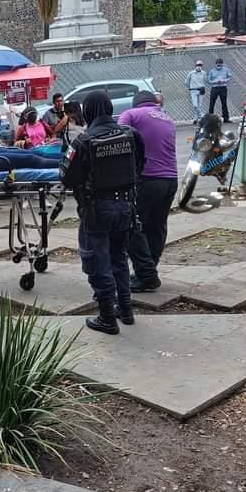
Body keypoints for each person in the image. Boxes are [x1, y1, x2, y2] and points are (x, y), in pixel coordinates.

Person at [60, 90, 144, 335]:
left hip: (96, 210)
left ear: (87, 112)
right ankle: (125, 309)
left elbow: (67, 176)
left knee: (97, 262)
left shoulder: (84, 141)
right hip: (126, 207)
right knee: (118, 257)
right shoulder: (131, 135)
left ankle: (107, 316)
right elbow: (140, 166)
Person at [118, 92, 177, 293]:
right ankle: (149, 270)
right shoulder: (168, 118)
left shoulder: (131, 115)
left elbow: (119, 142)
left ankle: (146, 274)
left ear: (136, 103)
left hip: (147, 178)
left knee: (132, 226)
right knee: (157, 226)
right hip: (170, 179)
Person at [207, 57, 232, 123]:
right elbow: (209, 80)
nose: (219, 66)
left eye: (220, 65)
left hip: (223, 88)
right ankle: (210, 119)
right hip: (215, 88)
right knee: (212, 103)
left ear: (222, 64)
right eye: (218, 65)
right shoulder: (212, 71)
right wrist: (215, 81)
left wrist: (224, 80)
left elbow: (229, 77)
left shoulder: (226, 70)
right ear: (215, 64)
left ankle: (226, 118)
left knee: (224, 103)